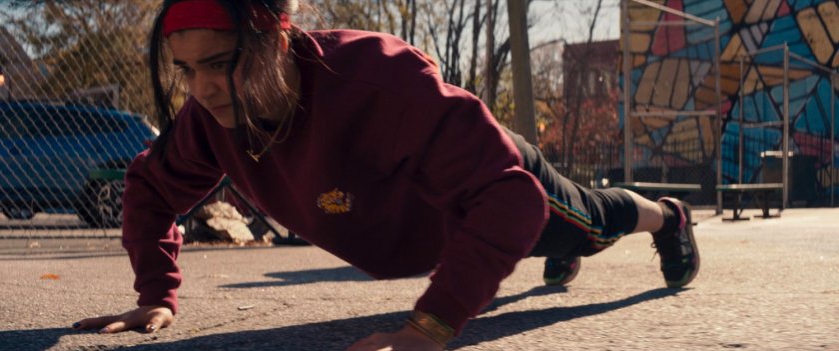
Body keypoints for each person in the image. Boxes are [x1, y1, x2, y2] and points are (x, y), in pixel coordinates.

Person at [71, 0, 700, 349]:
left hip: (489, 183)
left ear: (276, 42)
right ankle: (551, 251)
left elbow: (509, 198)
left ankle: (668, 216)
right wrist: (157, 293)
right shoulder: (210, 118)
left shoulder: (379, 82)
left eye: (219, 63)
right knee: (536, 241)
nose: (201, 88)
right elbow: (149, 187)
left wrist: (433, 323)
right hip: (444, 228)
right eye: (186, 70)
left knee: (590, 223)